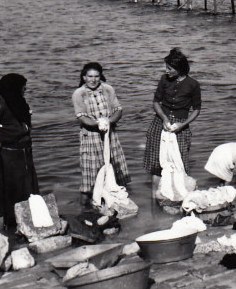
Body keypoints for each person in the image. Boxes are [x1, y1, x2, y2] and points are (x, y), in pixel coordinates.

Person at [0, 73, 39, 231]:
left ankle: (21, 228)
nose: (25, 89)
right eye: (23, 86)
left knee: (25, 191)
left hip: (23, 154)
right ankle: (2, 232)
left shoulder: (19, 103)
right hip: (7, 157)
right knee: (4, 195)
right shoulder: (1, 104)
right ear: (14, 88)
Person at [72, 62, 130, 206]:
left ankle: (119, 203)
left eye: (96, 76)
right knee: (89, 177)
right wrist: (97, 124)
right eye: (89, 76)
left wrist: (109, 122)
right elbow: (81, 116)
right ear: (84, 77)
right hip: (90, 137)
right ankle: (85, 211)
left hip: (110, 136)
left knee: (117, 172)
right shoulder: (79, 93)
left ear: (100, 76)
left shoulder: (108, 89)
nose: (93, 80)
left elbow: (118, 110)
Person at [143, 48, 202, 182]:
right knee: (156, 161)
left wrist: (183, 124)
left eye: (169, 68)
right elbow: (156, 102)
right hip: (160, 122)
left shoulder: (193, 84)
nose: (166, 71)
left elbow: (197, 109)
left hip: (181, 124)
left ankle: (177, 194)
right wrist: (164, 118)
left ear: (179, 69)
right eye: (166, 67)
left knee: (179, 160)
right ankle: (155, 197)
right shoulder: (164, 79)